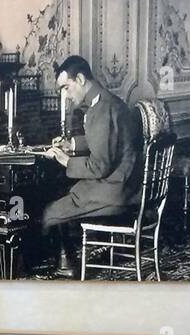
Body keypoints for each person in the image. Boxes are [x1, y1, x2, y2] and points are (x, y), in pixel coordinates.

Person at [38, 55, 142, 276]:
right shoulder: (110, 101)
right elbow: (108, 138)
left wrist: (66, 160)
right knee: (67, 194)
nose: (65, 95)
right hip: (128, 185)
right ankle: (73, 257)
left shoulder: (99, 111)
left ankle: (67, 266)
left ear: (81, 79)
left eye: (67, 87)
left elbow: (99, 167)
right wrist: (73, 143)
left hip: (113, 191)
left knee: (50, 212)